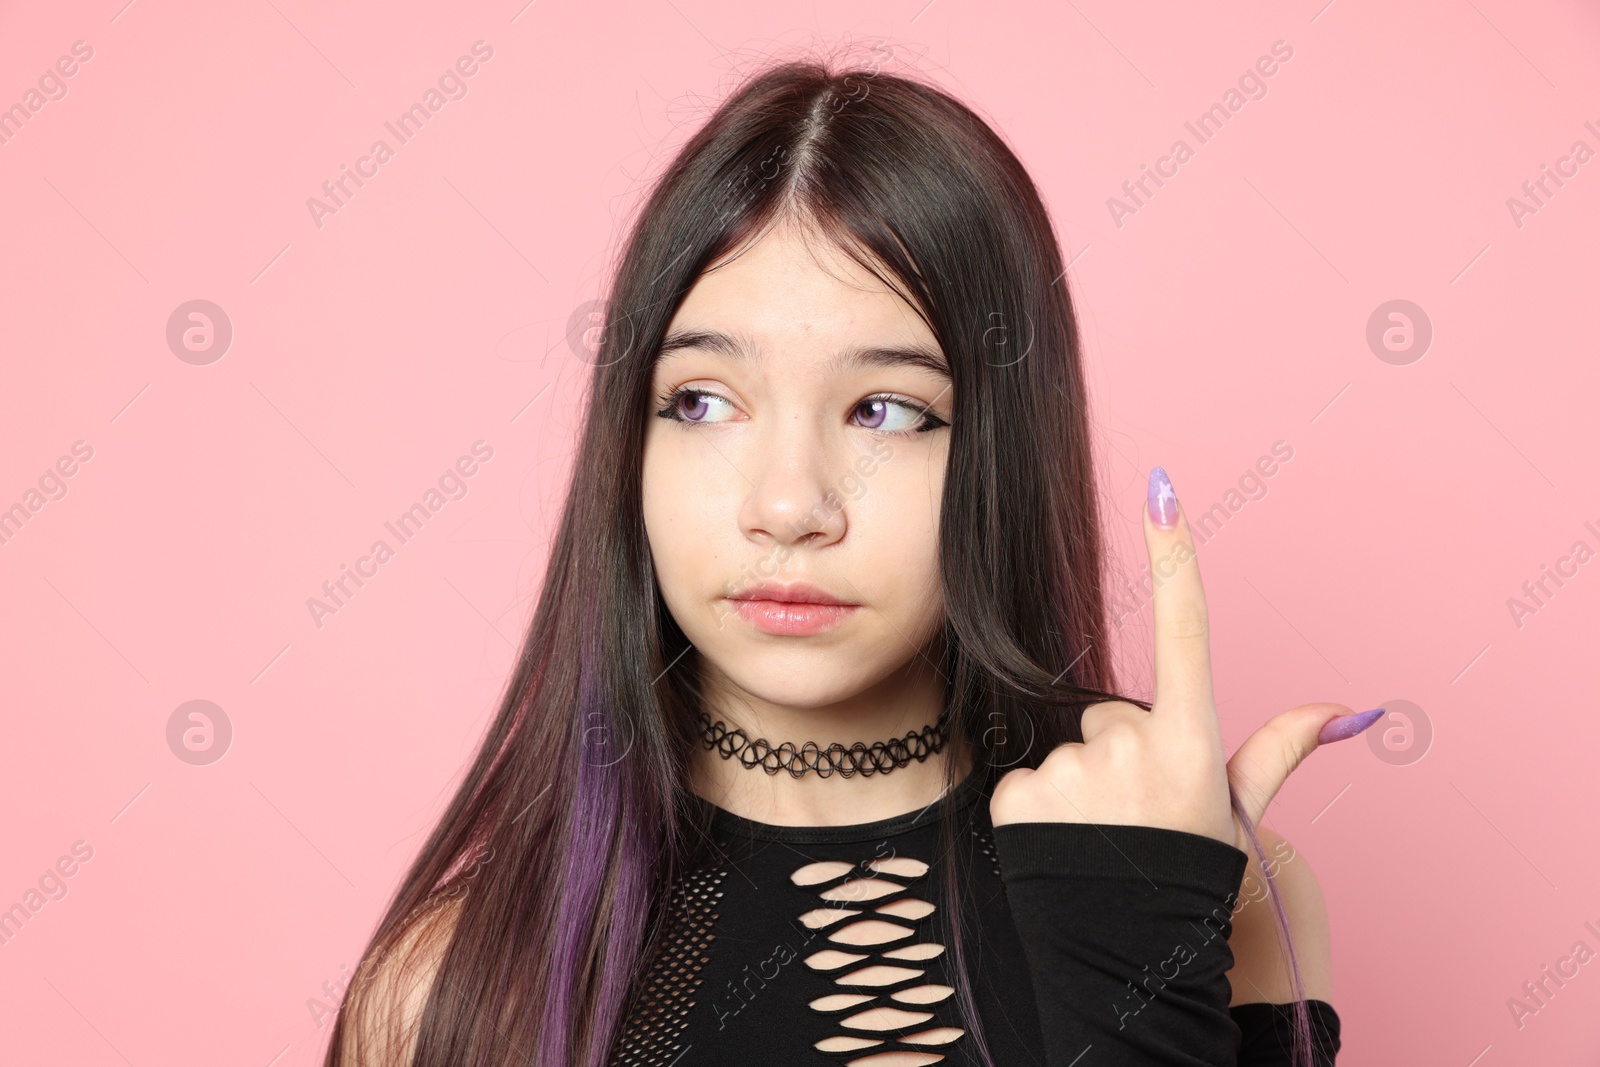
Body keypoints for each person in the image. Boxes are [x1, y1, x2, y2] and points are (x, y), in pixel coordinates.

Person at [323, 53, 1377, 1067]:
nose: (788, 505)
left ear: (998, 450)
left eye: (885, 409)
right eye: (701, 400)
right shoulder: (451, 987)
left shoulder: (1215, 891)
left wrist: (1138, 944)